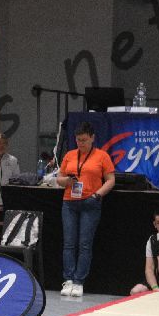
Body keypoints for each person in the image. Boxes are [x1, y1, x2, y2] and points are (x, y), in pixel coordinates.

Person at [54, 120, 115, 298]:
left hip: (90, 202)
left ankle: (79, 281)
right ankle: (68, 279)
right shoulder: (70, 155)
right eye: (78, 140)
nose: (80, 143)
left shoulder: (102, 156)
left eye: (84, 140)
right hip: (69, 202)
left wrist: (97, 195)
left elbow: (111, 180)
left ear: (92, 138)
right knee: (69, 243)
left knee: (85, 244)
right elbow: (59, 178)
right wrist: (67, 181)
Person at [0, 131, 20, 207]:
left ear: (7, 145)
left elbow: (16, 181)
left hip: (7, 203)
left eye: (4, 143)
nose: (1, 145)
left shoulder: (13, 160)